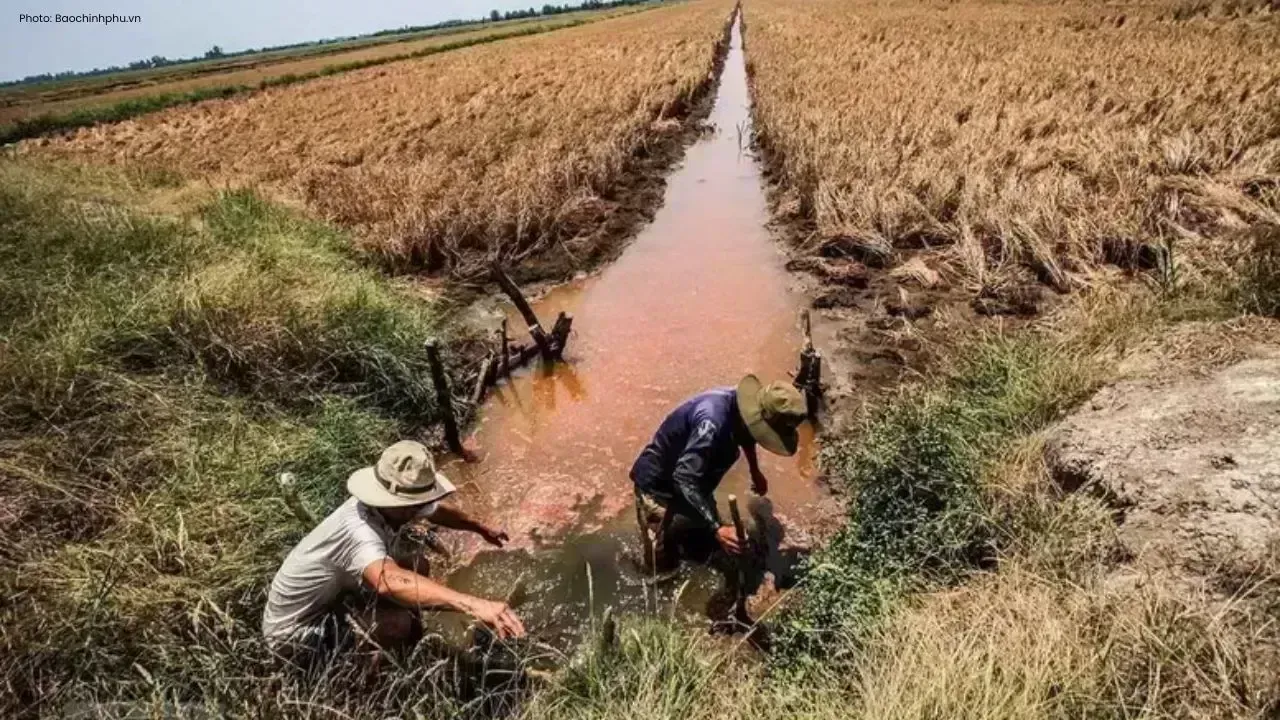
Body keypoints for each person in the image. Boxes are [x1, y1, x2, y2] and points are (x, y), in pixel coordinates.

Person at [262, 440, 525, 661]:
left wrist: (481, 528)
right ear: (389, 500)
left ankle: (410, 643)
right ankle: (372, 680)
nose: (418, 511)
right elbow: (386, 581)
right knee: (397, 623)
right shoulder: (360, 531)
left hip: (332, 600)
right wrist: (474, 604)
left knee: (418, 566)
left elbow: (435, 512)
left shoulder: (390, 505)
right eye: (411, 506)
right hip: (295, 635)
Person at [630, 374, 808, 571]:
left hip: (695, 478)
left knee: (705, 541)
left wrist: (755, 470)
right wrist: (717, 528)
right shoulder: (712, 424)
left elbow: (747, 435)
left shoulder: (742, 409)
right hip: (658, 484)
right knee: (659, 560)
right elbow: (684, 478)